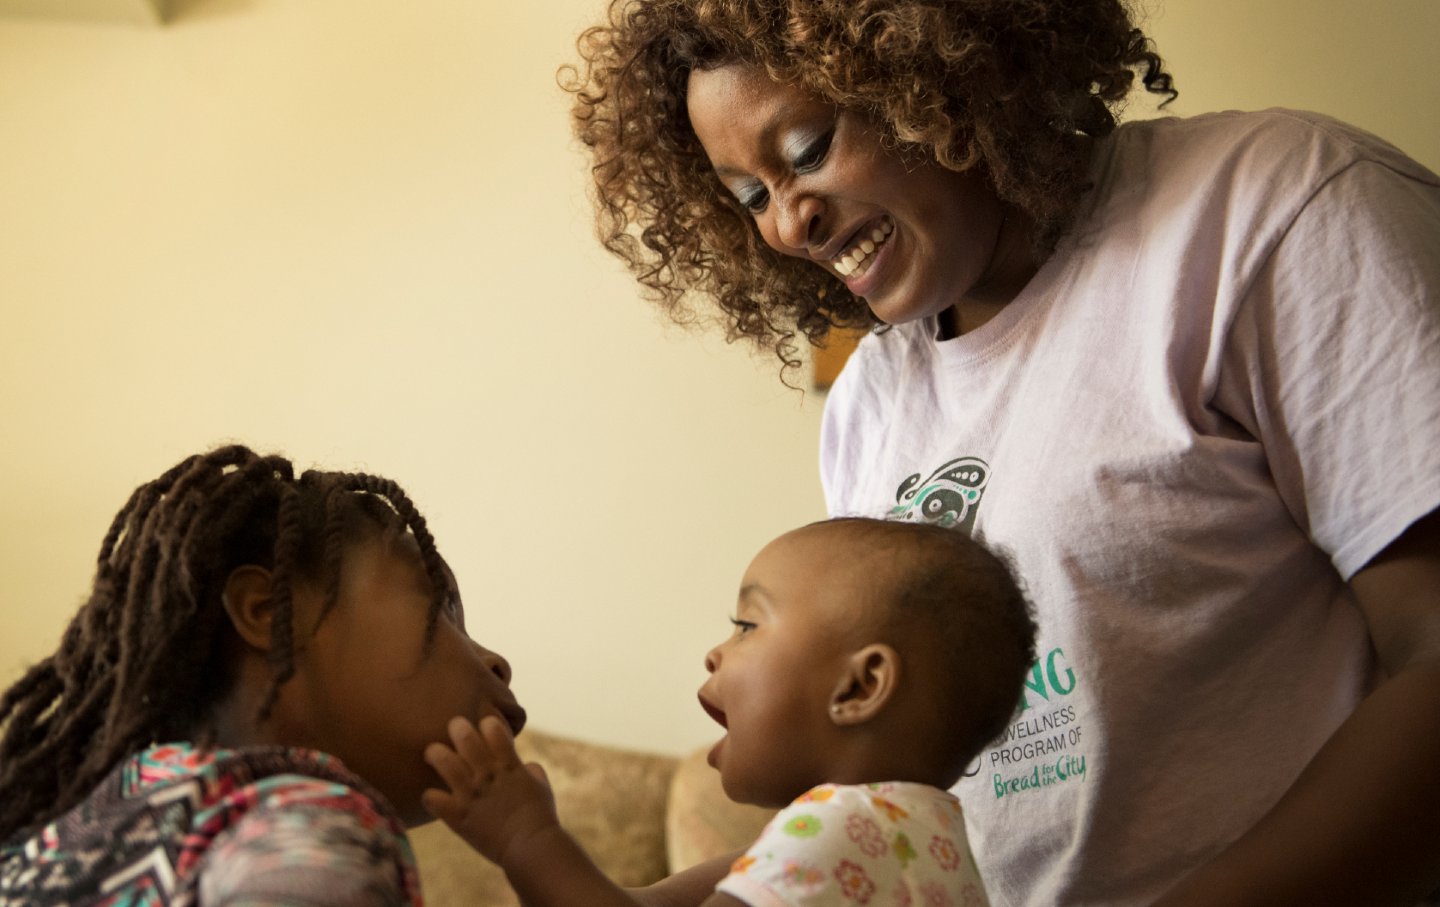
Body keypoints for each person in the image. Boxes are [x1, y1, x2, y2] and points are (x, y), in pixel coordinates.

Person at [561, 1, 1440, 904]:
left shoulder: (1273, 209)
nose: (787, 225)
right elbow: (890, 808)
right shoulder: (872, 399)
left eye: (809, 149)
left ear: (935, 79)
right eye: (750, 197)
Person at [0, 445, 526, 906]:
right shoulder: (311, 823)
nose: (496, 660)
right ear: (272, 613)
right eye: (443, 610)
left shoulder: (69, 832)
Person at [424, 517, 1038, 907]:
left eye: (747, 625)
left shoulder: (838, 834)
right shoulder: (919, 837)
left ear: (859, 687)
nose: (715, 653)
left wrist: (526, 838)